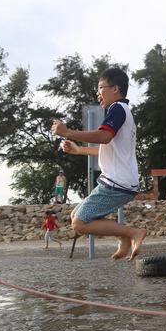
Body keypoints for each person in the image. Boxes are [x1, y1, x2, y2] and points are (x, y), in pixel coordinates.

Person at [52, 68, 147, 261]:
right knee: (76, 215)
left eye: (101, 88)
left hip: (116, 182)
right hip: (120, 181)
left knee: (79, 223)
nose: (97, 93)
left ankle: (133, 233)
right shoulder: (123, 111)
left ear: (115, 89)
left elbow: (104, 137)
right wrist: (78, 150)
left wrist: (67, 132)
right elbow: (107, 147)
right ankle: (124, 236)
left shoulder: (118, 108)